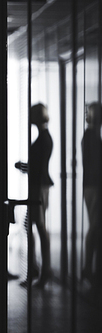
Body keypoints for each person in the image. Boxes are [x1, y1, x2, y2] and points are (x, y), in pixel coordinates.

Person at [16, 103, 53, 288]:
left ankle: (41, 271)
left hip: (38, 187)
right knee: (34, 226)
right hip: (38, 186)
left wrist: (23, 166)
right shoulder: (45, 138)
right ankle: (38, 270)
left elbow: (37, 168)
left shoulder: (44, 139)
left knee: (37, 226)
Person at [81, 102, 102, 285]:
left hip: (92, 186)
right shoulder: (91, 135)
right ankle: (88, 267)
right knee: (95, 227)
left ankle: (91, 268)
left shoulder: (92, 135)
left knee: (96, 227)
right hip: (93, 186)